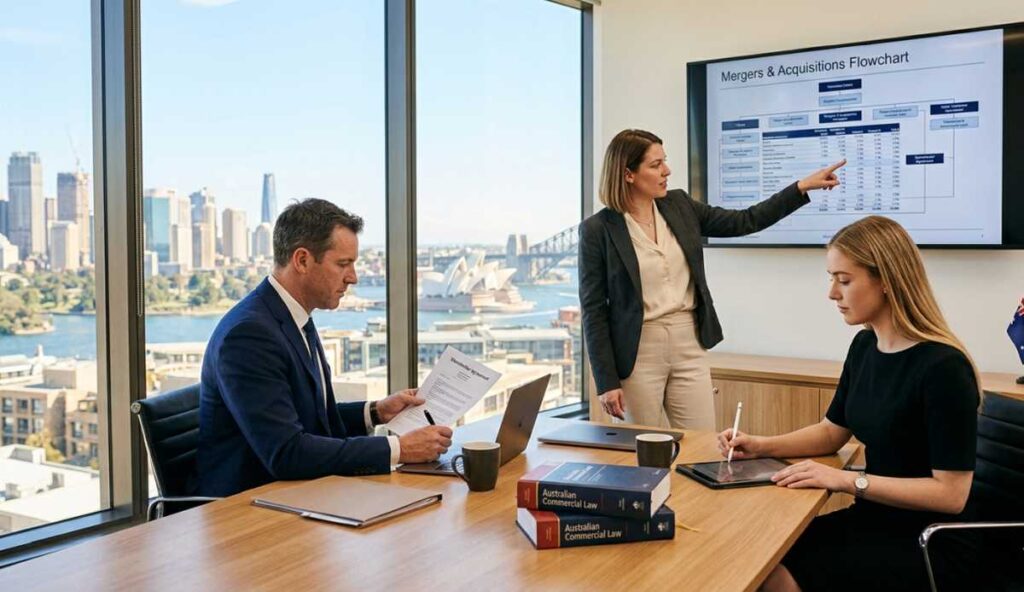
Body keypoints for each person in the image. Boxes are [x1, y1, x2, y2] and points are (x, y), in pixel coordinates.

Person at [717, 216, 981, 592]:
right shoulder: (864, 346)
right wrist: (758, 445)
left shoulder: (944, 368)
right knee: (754, 552)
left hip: (929, 541)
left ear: (886, 281)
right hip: (872, 520)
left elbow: (951, 495)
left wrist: (845, 480)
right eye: (831, 279)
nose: (832, 293)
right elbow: (831, 433)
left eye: (844, 280)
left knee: (775, 578)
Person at [579, 128, 845, 429]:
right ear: (628, 174)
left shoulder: (679, 205)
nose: (666, 170)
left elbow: (746, 220)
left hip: (689, 341)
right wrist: (605, 381)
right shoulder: (597, 230)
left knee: (703, 445)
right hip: (637, 351)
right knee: (646, 452)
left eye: (664, 161)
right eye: (655, 165)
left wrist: (800, 188)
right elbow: (593, 309)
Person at [190, 199, 452, 497]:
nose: (353, 277)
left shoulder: (292, 315)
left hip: (302, 493)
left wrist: (377, 412)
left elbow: (312, 418)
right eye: (343, 264)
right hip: (248, 509)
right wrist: (399, 448)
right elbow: (287, 453)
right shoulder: (248, 335)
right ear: (302, 260)